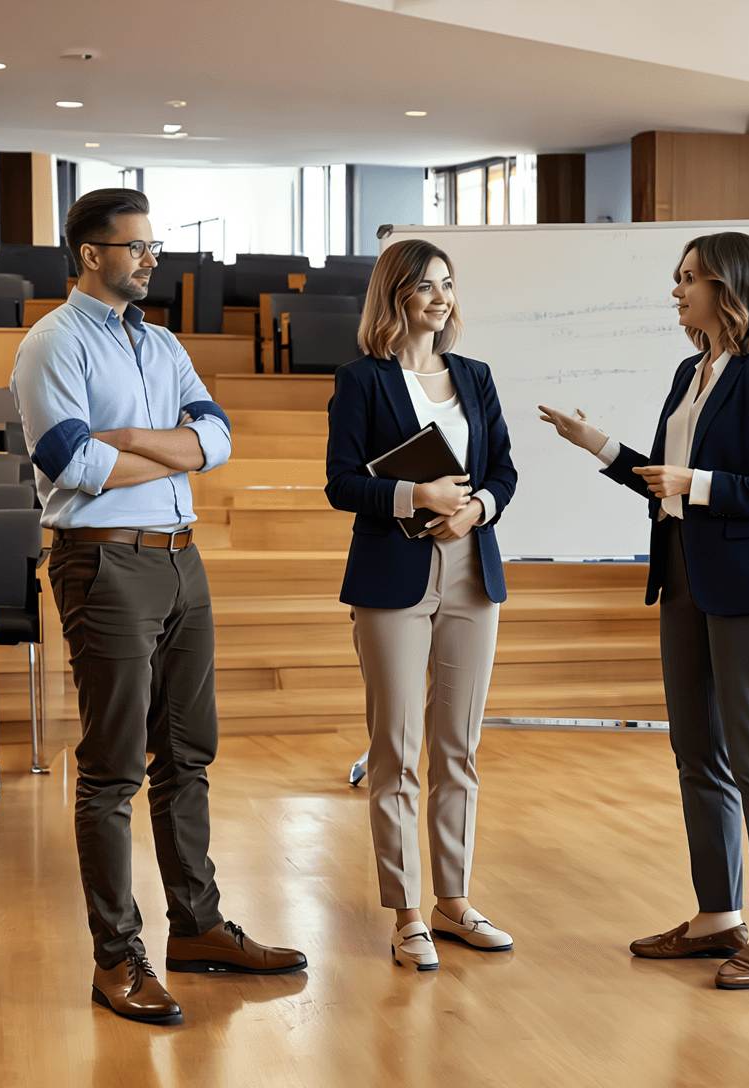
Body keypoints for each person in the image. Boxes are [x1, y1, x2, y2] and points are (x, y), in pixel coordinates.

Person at [11, 188, 306, 1028]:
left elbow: (216, 439)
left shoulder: (164, 341)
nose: (150, 260)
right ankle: (116, 957)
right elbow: (75, 466)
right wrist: (161, 452)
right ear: (89, 254)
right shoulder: (50, 345)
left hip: (182, 561)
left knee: (188, 754)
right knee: (112, 770)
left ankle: (199, 926)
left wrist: (132, 439)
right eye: (134, 247)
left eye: (152, 245)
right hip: (103, 566)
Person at [538, 231, 749, 991]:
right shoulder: (690, 372)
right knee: (696, 752)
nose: (677, 291)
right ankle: (719, 915)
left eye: (688, 278)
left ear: (731, 286)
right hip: (685, 575)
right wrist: (597, 443)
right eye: (677, 278)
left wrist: (697, 484)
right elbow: (669, 479)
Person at [324, 239, 518, 971]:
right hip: (392, 571)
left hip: (472, 567)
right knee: (396, 750)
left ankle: (454, 900)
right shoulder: (362, 380)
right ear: (395, 296)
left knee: (458, 748)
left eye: (448, 285)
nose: (441, 297)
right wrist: (417, 495)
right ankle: (407, 912)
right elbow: (342, 482)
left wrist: (478, 509)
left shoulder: (475, 376)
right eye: (426, 286)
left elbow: (502, 468)